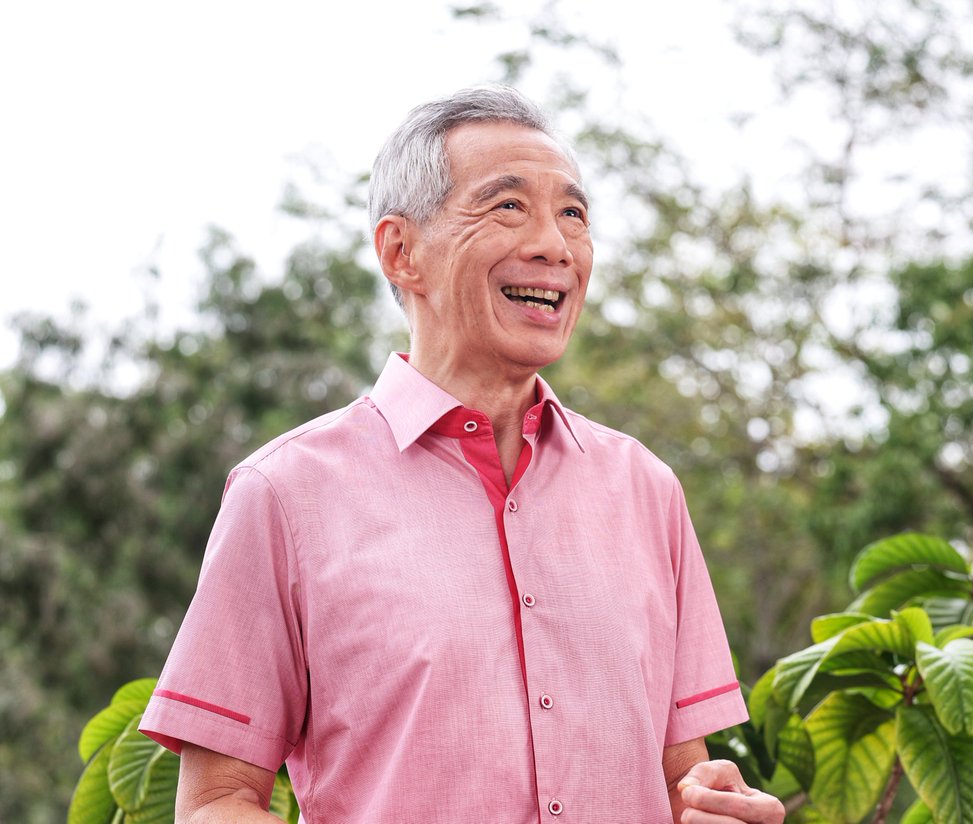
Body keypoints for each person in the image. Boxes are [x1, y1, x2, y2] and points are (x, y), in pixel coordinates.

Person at [140, 85, 785, 824]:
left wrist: (708, 810)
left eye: (573, 214)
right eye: (508, 206)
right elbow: (217, 802)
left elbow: (682, 778)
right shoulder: (284, 493)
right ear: (401, 251)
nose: (554, 244)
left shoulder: (647, 489)